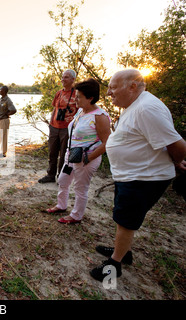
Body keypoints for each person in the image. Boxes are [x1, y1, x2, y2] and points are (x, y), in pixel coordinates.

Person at [90, 69, 186, 281]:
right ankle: (124, 252)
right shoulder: (135, 105)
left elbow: (178, 145)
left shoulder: (146, 109)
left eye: (113, 88)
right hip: (132, 175)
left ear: (132, 86)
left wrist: (177, 161)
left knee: (126, 221)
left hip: (144, 178)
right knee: (123, 217)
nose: (108, 93)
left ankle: (114, 265)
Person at [45, 78, 111, 224]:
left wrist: (88, 158)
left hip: (87, 158)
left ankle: (76, 215)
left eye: (79, 97)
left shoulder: (100, 116)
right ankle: (61, 205)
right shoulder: (81, 111)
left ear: (91, 98)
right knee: (63, 180)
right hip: (72, 155)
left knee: (80, 188)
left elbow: (107, 142)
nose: (76, 99)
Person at [39, 70, 79, 183]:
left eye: (66, 77)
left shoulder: (77, 94)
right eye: (62, 77)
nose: (63, 79)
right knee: (52, 152)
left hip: (67, 128)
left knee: (63, 154)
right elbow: (54, 109)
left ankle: (61, 177)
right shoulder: (59, 93)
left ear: (73, 79)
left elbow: (80, 111)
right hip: (54, 127)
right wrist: (51, 124)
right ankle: (50, 175)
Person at [0, 86, 16, 157]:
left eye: (1, 90)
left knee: (4, 136)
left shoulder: (8, 100)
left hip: (4, 120)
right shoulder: (1, 99)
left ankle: (4, 152)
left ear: (4, 91)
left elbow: (13, 110)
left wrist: (7, 114)